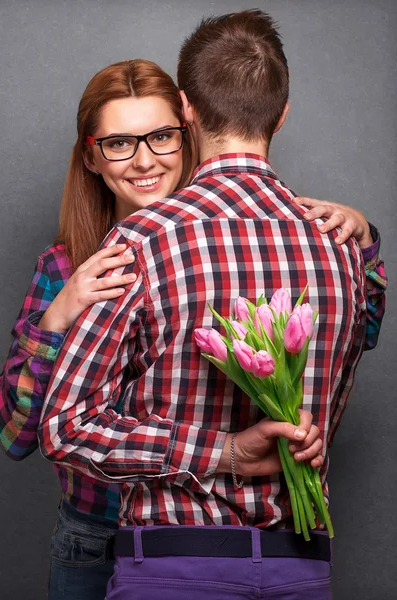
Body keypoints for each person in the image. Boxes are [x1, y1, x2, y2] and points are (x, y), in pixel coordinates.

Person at [38, 10, 387, 600]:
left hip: (173, 570)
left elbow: (67, 429)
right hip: (301, 569)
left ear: (186, 110)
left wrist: (222, 452)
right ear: (282, 112)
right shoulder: (346, 251)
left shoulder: (143, 241)